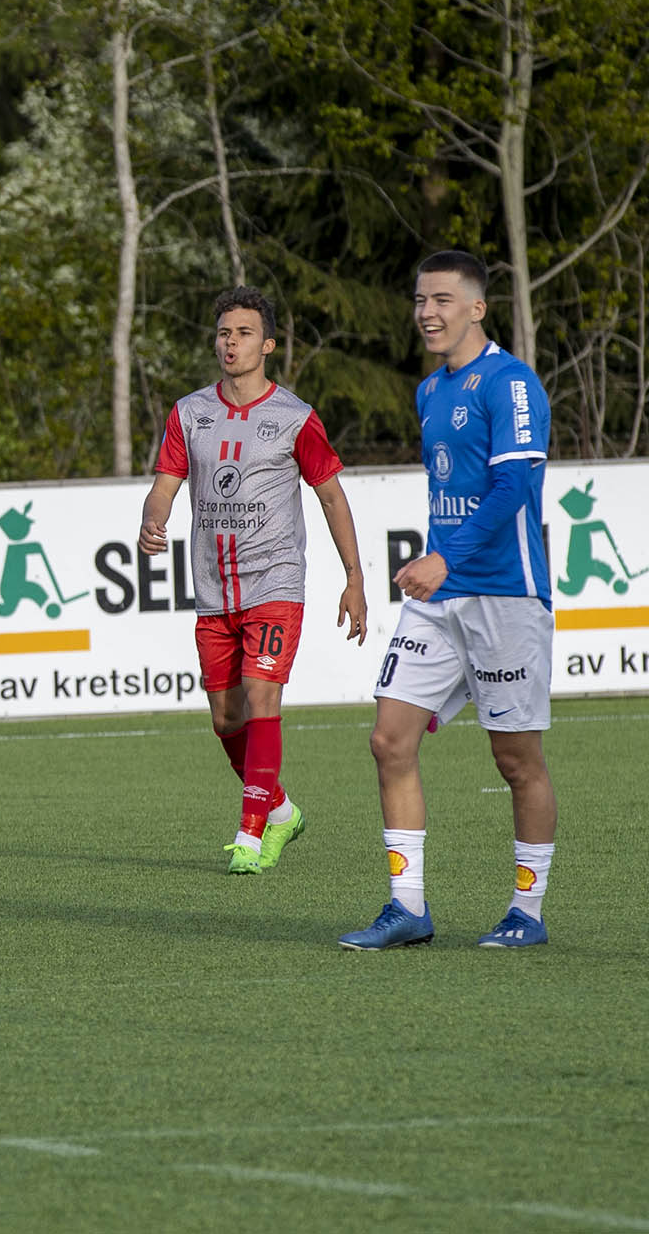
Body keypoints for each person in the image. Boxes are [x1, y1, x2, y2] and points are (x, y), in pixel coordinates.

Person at [342, 249, 557, 951]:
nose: (426, 312)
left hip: (505, 597)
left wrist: (443, 556)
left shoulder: (512, 383)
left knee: (515, 759)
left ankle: (527, 910)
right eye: (418, 299)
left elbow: (513, 490)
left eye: (440, 299)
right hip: (440, 600)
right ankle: (408, 905)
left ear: (476, 306)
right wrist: (440, 565)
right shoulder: (430, 391)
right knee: (389, 739)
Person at [138, 286, 368, 875]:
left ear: (267, 344)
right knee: (226, 719)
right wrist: (153, 520)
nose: (230, 343)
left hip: (276, 583)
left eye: (242, 333)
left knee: (263, 697)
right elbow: (166, 482)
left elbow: (332, 498)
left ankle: (250, 831)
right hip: (213, 589)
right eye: (223, 333)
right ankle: (283, 810)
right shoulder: (190, 412)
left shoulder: (295, 418)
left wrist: (353, 577)